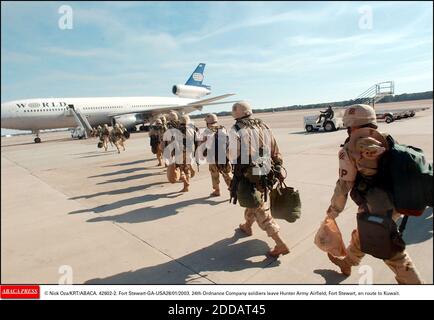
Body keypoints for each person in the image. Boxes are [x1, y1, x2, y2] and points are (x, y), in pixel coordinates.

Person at [325, 104, 423, 284]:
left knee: (392, 253)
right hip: (395, 201)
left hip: (376, 207)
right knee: (362, 235)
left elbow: (343, 186)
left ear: (351, 125)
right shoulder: (386, 139)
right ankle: (347, 263)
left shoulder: (350, 148)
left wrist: (333, 211)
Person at [228, 101, 289, 258]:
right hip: (266, 172)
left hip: (248, 175)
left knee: (257, 206)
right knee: (255, 200)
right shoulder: (263, 126)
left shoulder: (236, 129)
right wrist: (277, 166)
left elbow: (232, 156)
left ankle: (280, 243)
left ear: (236, 113)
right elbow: (275, 149)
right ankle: (247, 226)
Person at [201, 113, 232, 197]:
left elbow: (203, 144)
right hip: (224, 157)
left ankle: (217, 190)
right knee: (227, 174)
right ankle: (232, 189)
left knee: (214, 174)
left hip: (212, 158)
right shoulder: (223, 128)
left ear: (207, 122)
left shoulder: (207, 131)